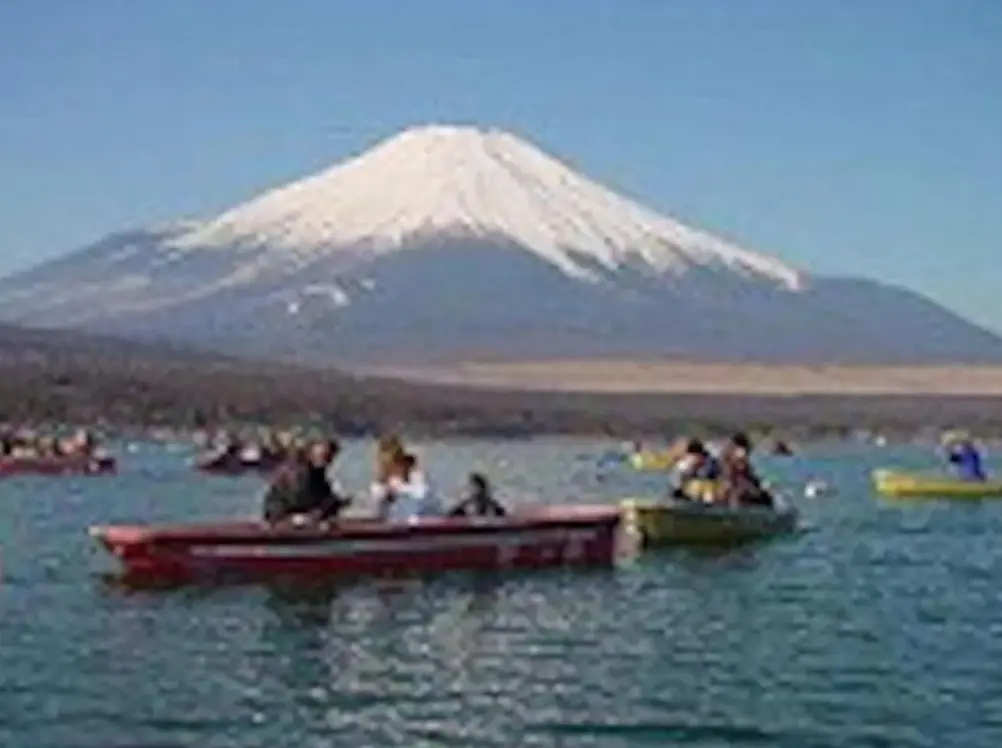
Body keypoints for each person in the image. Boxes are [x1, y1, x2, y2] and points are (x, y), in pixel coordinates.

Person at [262, 439, 351, 524]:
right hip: (287, 521)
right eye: (325, 457)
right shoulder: (295, 472)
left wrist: (335, 503)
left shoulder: (317, 474)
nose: (327, 461)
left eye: (328, 458)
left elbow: (323, 499)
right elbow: (298, 500)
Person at [382, 452, 443, 522]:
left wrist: (400, 488)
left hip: (424, 519)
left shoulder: (419, 478)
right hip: (400, 521)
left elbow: (420, 493)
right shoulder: (391, 485)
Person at [718, 432, 773, 507]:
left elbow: (754, 474)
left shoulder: (750, 458)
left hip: (747, 486)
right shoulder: (728, 457)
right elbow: (727, 473)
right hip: (735, 487)